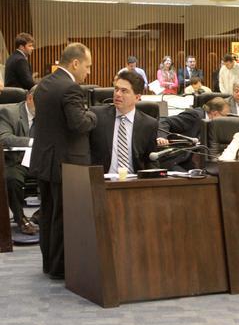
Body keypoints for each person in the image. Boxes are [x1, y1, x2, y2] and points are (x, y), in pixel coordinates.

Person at [30, 43, 97, 279]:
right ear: (75, 63)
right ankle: (60, 268)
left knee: (48, 215)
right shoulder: (70, 88)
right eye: (87, 66)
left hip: (45, 161)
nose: (88, 71)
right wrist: (93, 114)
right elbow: (79, 123)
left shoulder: (43, 84)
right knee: (63, 217)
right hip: (66, 163)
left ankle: (49, 263)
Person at [89, 71, 158, 174]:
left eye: (124, 91)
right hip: (103, 180)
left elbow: (151, 160)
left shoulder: (148, 124)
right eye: (116, 89)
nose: (117, 94)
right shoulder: (97, 116)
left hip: (134, 180)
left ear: (137, 97)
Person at [0, 86, 38, 235]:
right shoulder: (9, 112)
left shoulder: (48, 114)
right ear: (30, 98)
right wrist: (32, 142)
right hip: (16, 161)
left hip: (39, 160)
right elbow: (4, 138)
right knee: (11, 179)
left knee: (60, 176)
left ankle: (40, 216)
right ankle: (20, 217)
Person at [157, 97, 230, 170]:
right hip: (177, 159)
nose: (226, 118)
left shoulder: (214, 124)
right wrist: (162, 137)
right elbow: (164, 121)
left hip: (195, 160)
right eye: (225, 115)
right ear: (215, 113)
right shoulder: (194, 116)